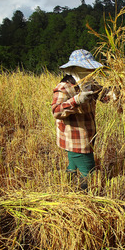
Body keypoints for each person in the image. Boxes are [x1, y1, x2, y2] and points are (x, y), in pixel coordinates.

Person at [51, 49, 108, 190]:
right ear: (75, 68)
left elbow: (104, 95)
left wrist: (118, 93)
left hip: (87, 133)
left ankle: (66, 185)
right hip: (74, 137)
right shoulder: (64, 88)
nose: (90, 70)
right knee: (89, 171)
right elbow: (56, 111)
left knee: (73, 163)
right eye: (86, 67)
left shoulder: (89, 83)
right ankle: (85, 195)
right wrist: (76, 100)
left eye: (91, 67)